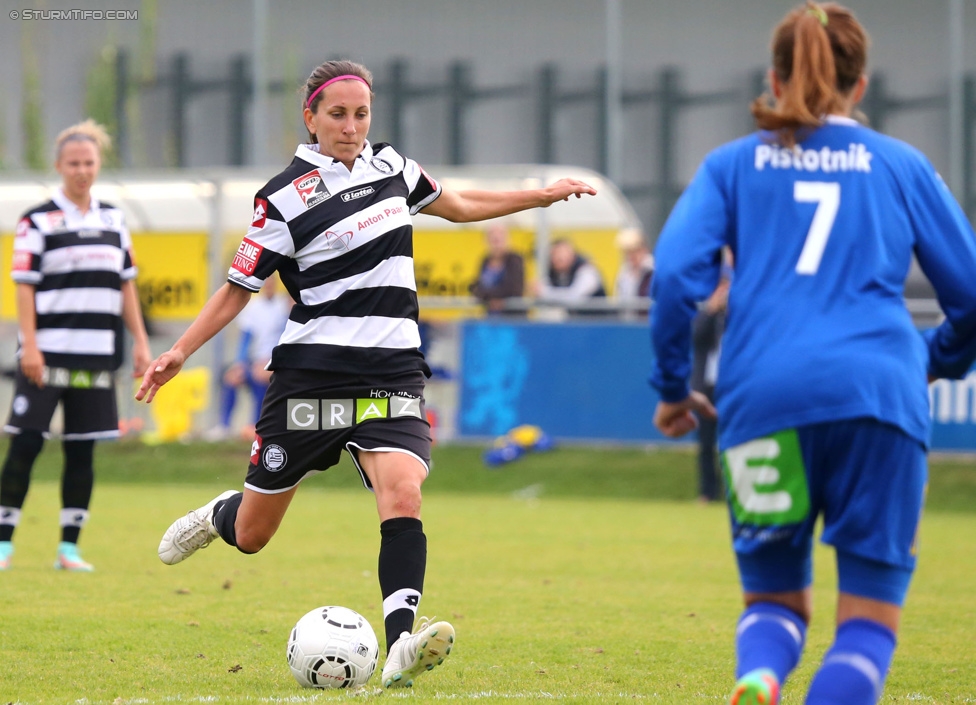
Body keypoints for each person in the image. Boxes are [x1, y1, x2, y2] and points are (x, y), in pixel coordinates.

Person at [136, 60, 595, 689]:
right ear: (311, 118)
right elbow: (238, 288)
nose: (352, 128)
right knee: (254, 534)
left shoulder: (393, 168)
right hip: (312, 380)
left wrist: (538, 196)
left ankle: (401, 645)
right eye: (338, 115)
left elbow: (458, 204)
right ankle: (224, 515)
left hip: (391, 372)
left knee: (403, 491)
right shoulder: (282, 199)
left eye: (362, 115)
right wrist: (179, 351)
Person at [647, 3, 976, 704]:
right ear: (860, 86)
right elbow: (972, 294)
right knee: (867, 627)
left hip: (761, 400)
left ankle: (761, 677)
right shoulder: (900, 165)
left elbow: (674, 277)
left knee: (773, 601)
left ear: (774, 76)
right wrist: (931, 360)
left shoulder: (732, 164)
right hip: (878, 398)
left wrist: (674, 388)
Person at [0, 119, 151, 572]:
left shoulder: (114, 220)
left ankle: (69, 549)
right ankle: (4, 543)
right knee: (25, 444)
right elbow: (24, 286)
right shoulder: (37, 220)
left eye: (88, 163)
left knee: (82, 448)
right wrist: (30, 346)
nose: (82, 171)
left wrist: (141, 343)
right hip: (45, 357)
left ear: (98, 165)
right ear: (58, 166)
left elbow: (127, 287)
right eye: (73, 164)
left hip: (97, 357)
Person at [204, 274, 291, 441]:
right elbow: (245, 339)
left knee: (261, 378)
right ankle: (224, 426)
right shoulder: (253, 307)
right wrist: (240, 363)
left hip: (273, 362)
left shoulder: (283, 307)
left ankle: (256, 426)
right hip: (254, 361)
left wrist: (271, 361)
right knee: (231, 378)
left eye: (273, 283)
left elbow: (284, 338)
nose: (269, 286)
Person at [690, 269, 729, 503]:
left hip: (731, 387)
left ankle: (733, 491)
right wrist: (712, 308)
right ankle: (707, 491)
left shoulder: (738, 317)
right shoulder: (708, 316)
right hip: (706, 387)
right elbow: (695, 336)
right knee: (705, 443)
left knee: (732, 442)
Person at [535, 238, 607, 316]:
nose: (557, 258)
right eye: (554, 255)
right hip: (575, 323)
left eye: (561, 253)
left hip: (598, 322)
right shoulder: (555, 274)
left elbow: (574, 298)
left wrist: (545, 292)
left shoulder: (587, 271)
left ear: (572, 254)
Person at [469, 223, 525, 316]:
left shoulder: (515, 260)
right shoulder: (485, 260)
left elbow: (514, 288)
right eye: (493, 240)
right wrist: (491, 298)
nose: (496, 244)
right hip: (490, 315)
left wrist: (489, 296)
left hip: (512, 316)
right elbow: (476, 287)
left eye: (499, 240)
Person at [612, 227, 654, 310]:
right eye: (627, 252)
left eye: (634, 251)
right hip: (629, 320)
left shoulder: (653, 271)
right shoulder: (624, 273)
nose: (631, 256)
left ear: (643, 249)